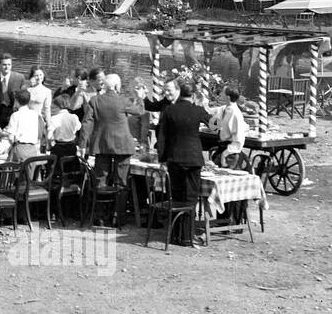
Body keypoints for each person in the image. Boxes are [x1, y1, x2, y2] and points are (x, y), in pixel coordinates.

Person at [77, 73, 141, 228]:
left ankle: (100, 216)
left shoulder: (95, 100)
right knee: (121, 182)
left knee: (101, 180)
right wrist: (139, 97)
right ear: (117, 86)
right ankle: (119, 218)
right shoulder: (123, 100)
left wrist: (82, 145)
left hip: (102, 144)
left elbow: (86, 123)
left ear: (104, 86)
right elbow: (139, 111)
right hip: (122, 145)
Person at [154, 80, 211, 211]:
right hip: (193, 157)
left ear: (180, 93)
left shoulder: (169, 110)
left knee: (177, 196)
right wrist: (205, 108)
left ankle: (176, 229)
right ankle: (188, 228)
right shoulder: (198, 110)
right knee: (191, 197)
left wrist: (162, 159)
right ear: (194, 96)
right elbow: (216, 126)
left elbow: (162, 137)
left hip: (175, 158)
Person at [210, 86, 249, 166]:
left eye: (222, 93)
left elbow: (239, 138)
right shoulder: (224, 109)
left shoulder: (235, 114)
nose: (220, 94)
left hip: (230, 154)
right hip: (221, 148)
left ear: (227, 97)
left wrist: (226, 154)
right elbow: (210, 111)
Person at [0, 52, 25, 129]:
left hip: (14, 111)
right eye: (4, 65)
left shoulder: (19, 78)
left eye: (9, 65)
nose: (7, 67)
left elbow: (23, 98)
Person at [4, 89, 43, 163]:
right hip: (32, 150)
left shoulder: (15, 115)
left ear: (16, 101)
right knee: (30, 173)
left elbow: (11, 137)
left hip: (20, 149)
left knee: (13, 171)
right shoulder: (36, 115)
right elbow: (39, 134)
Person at [47, 94, 82, 161]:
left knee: (56, 168)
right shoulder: (74, 117)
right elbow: (78, 127)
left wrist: (49, 146)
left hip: (59, 147)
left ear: (59, 106)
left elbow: (49, 136)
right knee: (69, 169)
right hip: (71, 146)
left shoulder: (54, 118)